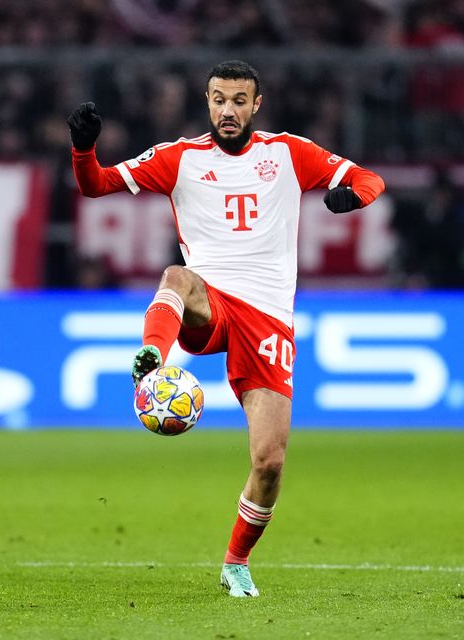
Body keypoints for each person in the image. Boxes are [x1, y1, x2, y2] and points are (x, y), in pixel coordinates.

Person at [68, 60, 385, 597]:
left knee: (270, 462)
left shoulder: (289, 152)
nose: (228, 110)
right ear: (207, 101)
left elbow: (369, 178)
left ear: (256, 104)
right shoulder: (180, 158)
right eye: (219, 99)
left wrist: (351, 196)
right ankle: (153, 360)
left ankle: (236, 561)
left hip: (268, 319)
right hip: (209, 303)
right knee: (176, 275)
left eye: (239, 100)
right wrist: (82, 148)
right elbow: (95, 186)